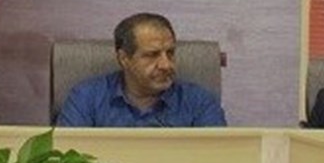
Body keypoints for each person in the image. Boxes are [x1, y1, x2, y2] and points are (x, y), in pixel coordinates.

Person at [56, 12, 227, 127]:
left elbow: (219, 160)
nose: (166, 65)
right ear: (124, 58)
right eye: (152, 55)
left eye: (170, 53)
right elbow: (66, 162)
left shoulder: (199, 102)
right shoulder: (86, 98)